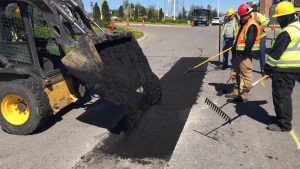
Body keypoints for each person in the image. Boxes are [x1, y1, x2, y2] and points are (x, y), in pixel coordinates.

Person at [264, 1, 300, 132]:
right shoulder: (298, 27)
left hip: (283, 70)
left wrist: (267, 69)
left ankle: (284, 124)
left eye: (279, 17)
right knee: (285, 95)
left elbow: (275, 54)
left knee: (281, 96)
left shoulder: (287, 32)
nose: (278, 20)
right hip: (294, 69)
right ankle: (282, 117)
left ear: (286, 16)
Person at [225, 4, 261, 102]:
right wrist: (234, 47)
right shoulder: (244, 23)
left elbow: (250, 41)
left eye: (242, 16)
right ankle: (236, 91)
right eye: (240, 16)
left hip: (245, 55)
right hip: (239, 53)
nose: (241, 17)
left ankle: (244, 95)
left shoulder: (252, 25)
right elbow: (239, 38)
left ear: (247, 14)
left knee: (245, 75)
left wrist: (244, 53)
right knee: (234, 72)